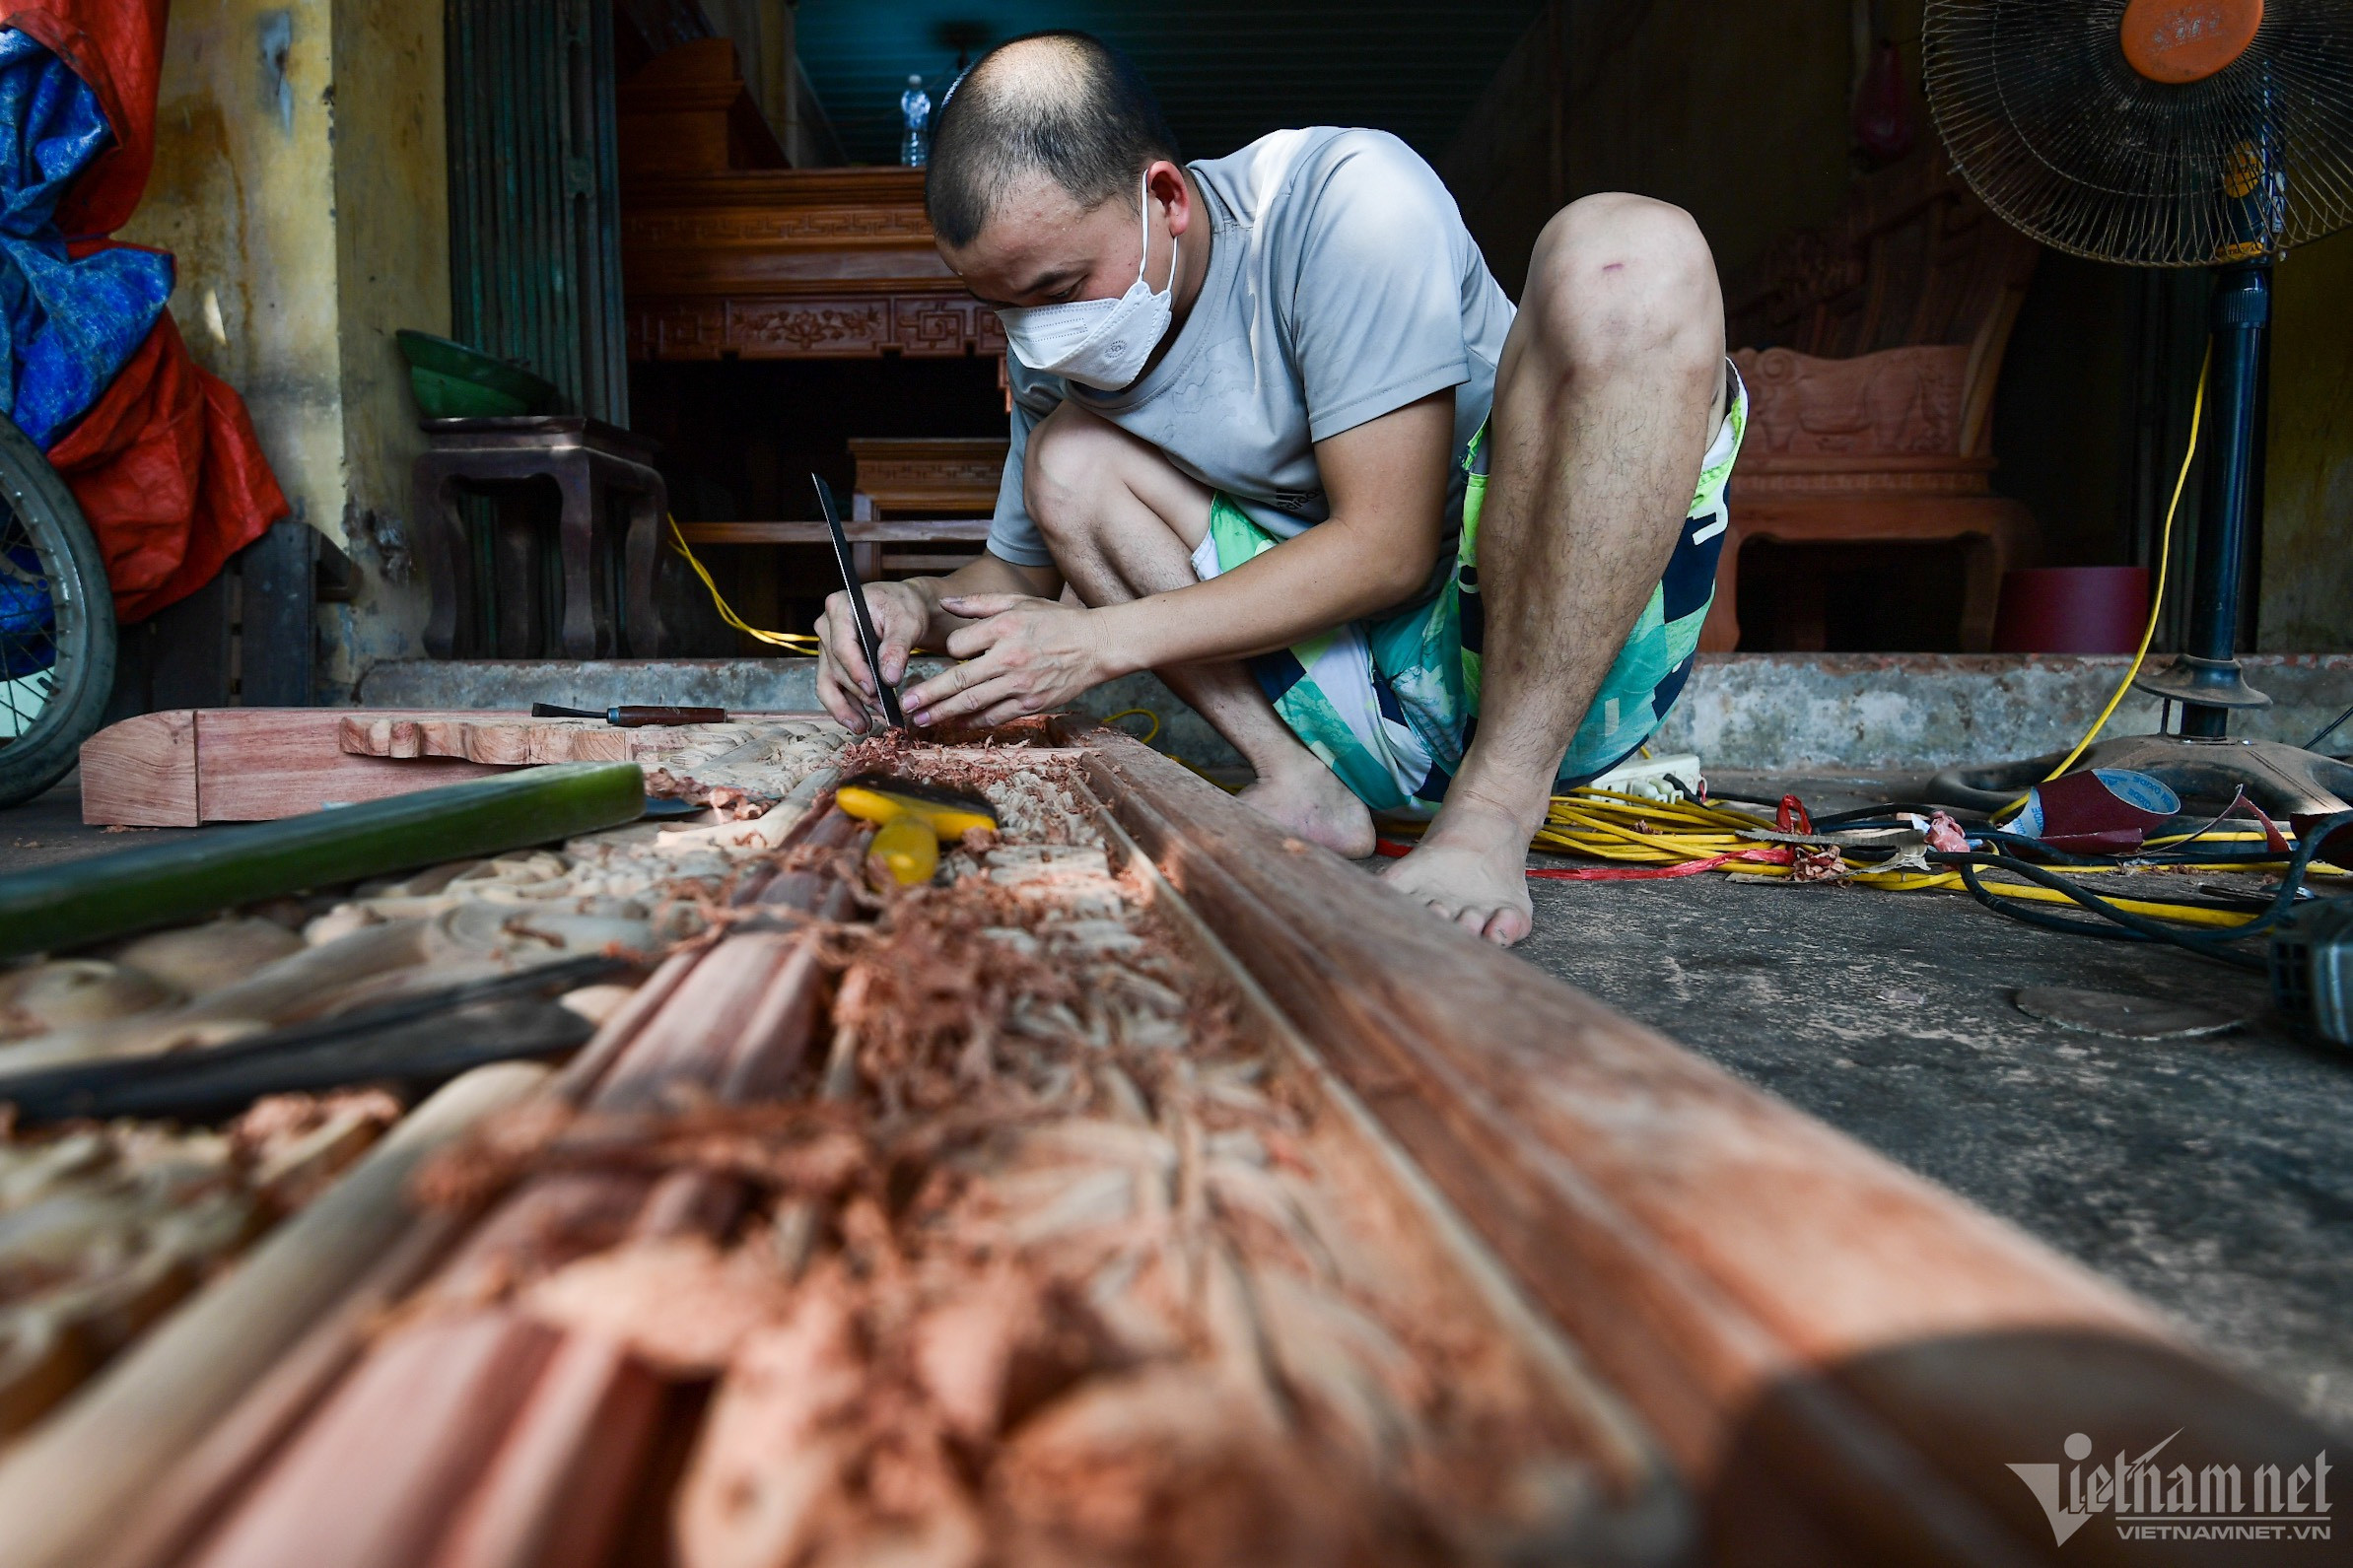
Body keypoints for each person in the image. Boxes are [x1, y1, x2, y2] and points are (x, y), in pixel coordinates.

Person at [813, 30, 1742, 947]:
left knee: (1632, 250)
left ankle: (1492, 812)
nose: (1037, 335)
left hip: (1553, 679)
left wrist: (1100, 641)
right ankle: (1301, 785)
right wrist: (911, 604)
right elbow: (1016, 577)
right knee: (1069, 457)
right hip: (1355, 713)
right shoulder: (1061, 344)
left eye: (1058, 288)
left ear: (1165, 197)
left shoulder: (1348, 205)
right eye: (1003, 307)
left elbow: (1388, 548)